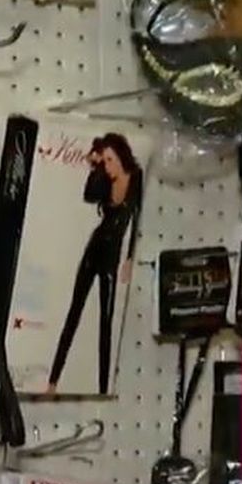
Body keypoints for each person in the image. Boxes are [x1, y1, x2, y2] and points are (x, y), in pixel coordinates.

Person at [46, 134, 142, 397]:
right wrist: (94, 167)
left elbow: (138, 218)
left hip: (113, 255)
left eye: (110, 160)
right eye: (104, 161)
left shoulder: (136, 177)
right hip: (95, 248)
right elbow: (88, 196)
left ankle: (102, 388)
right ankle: (52, 381)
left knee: (106, 321)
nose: (107, 166)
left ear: (121, 156)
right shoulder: (103, 179)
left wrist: (130, 257)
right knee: (74, 312)